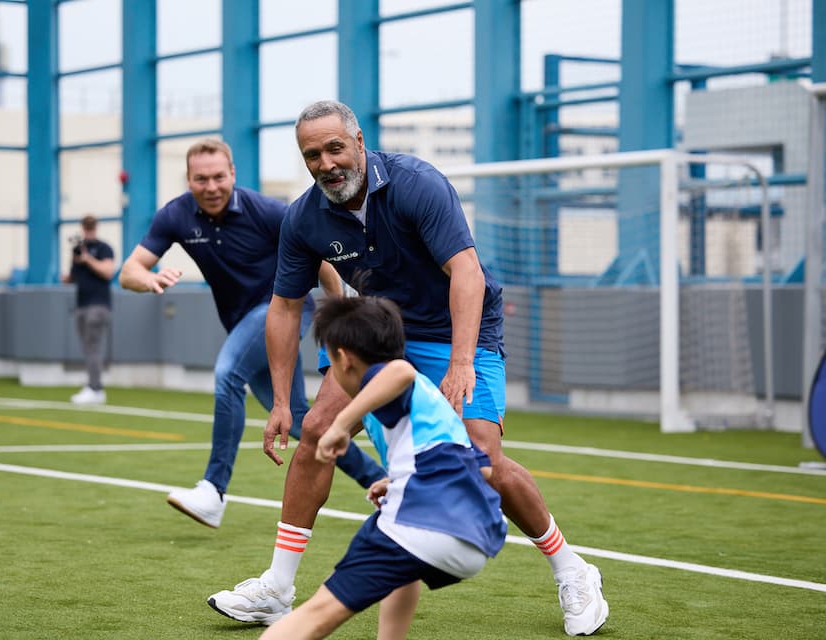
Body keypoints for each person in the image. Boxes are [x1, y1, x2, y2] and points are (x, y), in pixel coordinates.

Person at [207, 101, 609, 636]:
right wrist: (281, 400)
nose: (326, 163)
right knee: (315, 430)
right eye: (312, 154)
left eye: (334, 147)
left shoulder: (418, 183)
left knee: (481, 458)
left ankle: (573, 569)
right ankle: (278, 589)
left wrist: (462, 362)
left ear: (358, 141)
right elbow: (284, 307)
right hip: (384, 331)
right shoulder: (303, 217)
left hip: (456, 325)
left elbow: (465, 270)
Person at [118, 138, 385, 529]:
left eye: (219, 177)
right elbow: (129, 272)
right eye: (201, 179)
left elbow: (322, 259)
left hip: (283, 311)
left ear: (233, 175)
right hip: (245, 322)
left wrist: (340, 312)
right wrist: (150, 280)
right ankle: (383, 483)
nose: (211, 187)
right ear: (189, 180)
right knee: (299, 422)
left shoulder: (266, 210)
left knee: (228, 373)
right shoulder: (175, 215)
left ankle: (213, 489)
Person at [259, 295, 506, 640]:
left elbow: (400, 370)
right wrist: (400, 479)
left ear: (343, 358)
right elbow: (484, 471)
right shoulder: (429, 404)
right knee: (403, 570)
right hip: (476, 536)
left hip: (423, 523)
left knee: (312, 616)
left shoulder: (392, 377)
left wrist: (340, 425)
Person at [61, 214, 115, 405]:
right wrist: (67, 276)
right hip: (81, 304)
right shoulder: (78, 250)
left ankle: (95, 388)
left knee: (93, 347)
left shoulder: (104, 248)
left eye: (91, 227)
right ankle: (93, 386)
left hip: (98, 305)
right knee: (87, 348)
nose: (88, 230)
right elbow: (73, 277)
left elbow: (108, 272)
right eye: (86, 227)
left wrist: (88, 259)